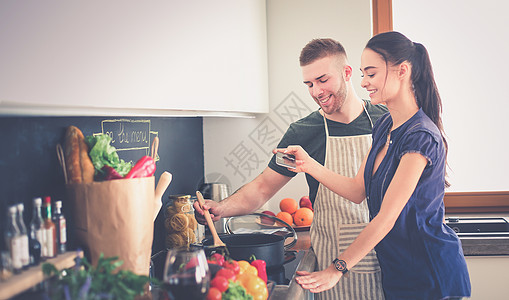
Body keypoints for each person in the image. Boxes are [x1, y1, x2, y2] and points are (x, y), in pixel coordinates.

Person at [279, 31, 471, 299]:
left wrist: (337, 268)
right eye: (362, 74)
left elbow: (386, 218)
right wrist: (309, 164)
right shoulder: (385, 126)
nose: (365, 83)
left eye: (371, 74)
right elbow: (358, 190)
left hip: (429, 271)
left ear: (402, 71)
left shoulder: (420, 137)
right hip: (397, 269)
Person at [194, 38, 388, 299]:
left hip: (382, 257)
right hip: (328, 265)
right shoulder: (302, 132)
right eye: (309, 84)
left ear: (347, 72)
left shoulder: (385, 120)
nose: (316, 91)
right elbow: (263, 188)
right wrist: (220, 208)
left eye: (322, 80)